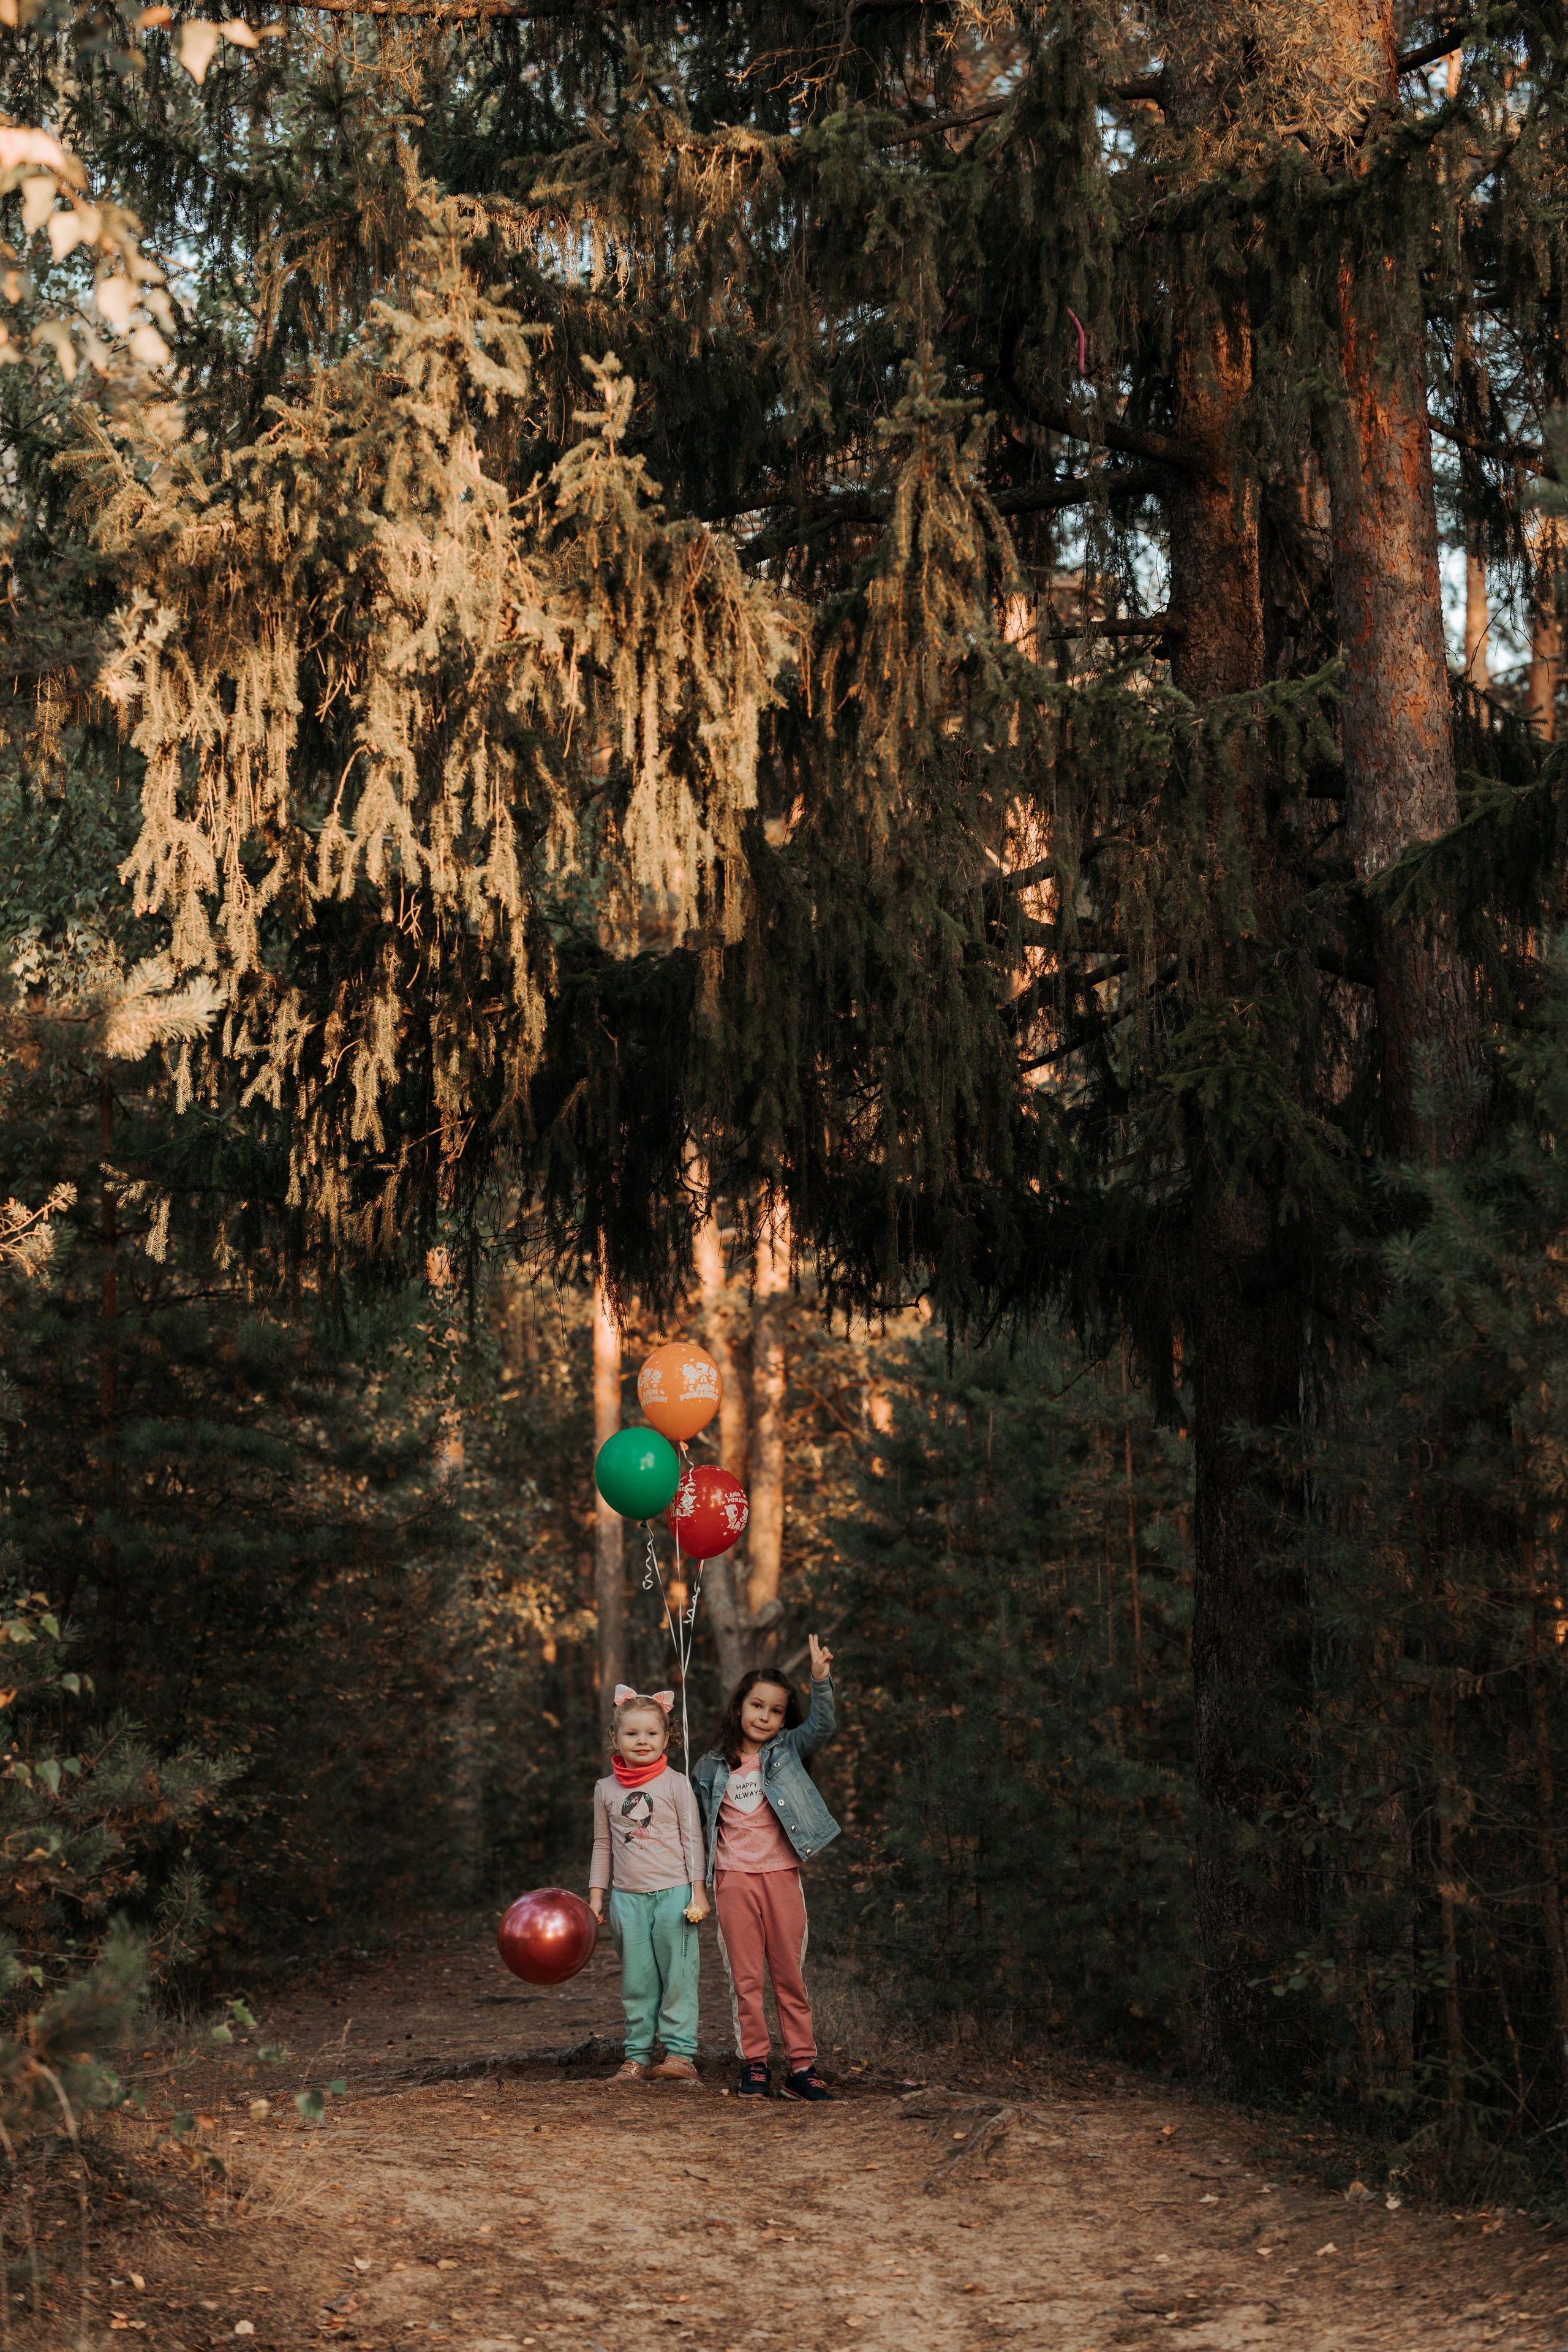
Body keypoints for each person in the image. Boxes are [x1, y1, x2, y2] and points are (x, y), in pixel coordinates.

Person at [691, 1636, 839, 2101]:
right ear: (739, 1707)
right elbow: (695, 1829)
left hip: (781, 1877)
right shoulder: (708, 1769)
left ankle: (801, 2067)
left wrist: (820, 1680)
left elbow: (822, 1725)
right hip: (733, 1880)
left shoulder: (787, 1750)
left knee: (788, 1976)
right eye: (757, 1705)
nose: (764, 1717)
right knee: (746, 1979)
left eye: (775, 1711)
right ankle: (754, 2064)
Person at [589, 1686, 709, 2084]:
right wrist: (596, 1898)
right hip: (627, 1901)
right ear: (615, 1739)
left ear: (666, 1737)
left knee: (678, 1977)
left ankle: (680, 2056)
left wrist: (698, 1892)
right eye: (632, 1734)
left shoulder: (676, 1784)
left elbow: (693, 1839)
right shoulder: (605, 1789)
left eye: (652, 1734)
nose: (642, 1741)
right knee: (637, 1981)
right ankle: (637, 2057)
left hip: (676, 1896)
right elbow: (603, 1844)